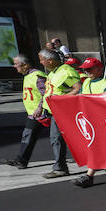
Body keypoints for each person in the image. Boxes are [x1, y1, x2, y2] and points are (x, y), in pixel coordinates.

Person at [72, 58, 106, 188]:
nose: (87, 72)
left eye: (89, 69)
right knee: (95, 148)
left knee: (96, 148)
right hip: (90, 121)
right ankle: (89, 175)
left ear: (99, 69)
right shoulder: (86, 82)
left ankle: (89, 175)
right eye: (85, 69)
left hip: (105, 123)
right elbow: (79, 99)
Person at [38, 48, 81, 178]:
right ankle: (61, 167)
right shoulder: (53, 72)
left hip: (62, 111)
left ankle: (60, 168)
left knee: (57, 139)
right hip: (53, 111)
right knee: (58, 139)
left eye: (42, 59)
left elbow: (78, 88)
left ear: (50, 60)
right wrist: (41, 106)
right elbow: (50, 91)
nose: (41, 62)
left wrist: (61, 100)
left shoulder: (66, 71)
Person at [3, 55, 49, 169]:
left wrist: (40, 107)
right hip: (34, 114)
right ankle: (21, 160)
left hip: (45, 113)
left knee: (60, 137)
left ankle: (82, 155)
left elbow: (47, 94)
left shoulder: (38, 76)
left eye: (16, 64)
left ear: (25, 65)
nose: (14, 66)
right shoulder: (28, 75)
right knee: (28, 135)